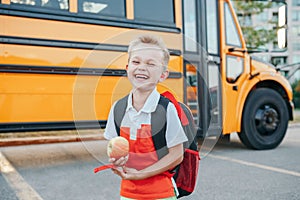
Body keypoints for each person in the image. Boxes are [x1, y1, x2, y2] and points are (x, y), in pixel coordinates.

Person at [104, 34, 187, 200]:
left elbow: (177, 155)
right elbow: (114, 149)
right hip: (128, 194)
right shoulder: (118, 109)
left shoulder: (166, 109)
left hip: (161, 194)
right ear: (127, 67)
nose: (142, 67)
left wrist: (141, 174)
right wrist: (117, 162)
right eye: (136, 62)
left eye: (150, 64)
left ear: (163, 75)